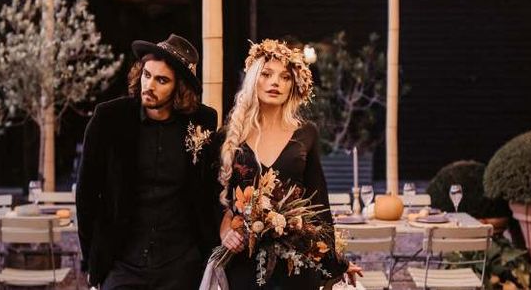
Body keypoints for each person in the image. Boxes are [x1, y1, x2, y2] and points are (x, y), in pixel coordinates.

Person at [77, 34, 219, 290]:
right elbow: (86, 196)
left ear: (180, 87)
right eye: (146, 75)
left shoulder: (203, 121)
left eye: (161, 80)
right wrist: (92, 260)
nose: (149, 85)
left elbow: (209, 192)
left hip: (181, 264)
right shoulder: (109, 118)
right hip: (121, 261)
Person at [216, 39, 362, 289]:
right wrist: (224, 229)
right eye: (267, 74)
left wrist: (336, 263)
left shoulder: (306, 133)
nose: (276, 82)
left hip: (297, 265)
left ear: (293, 85)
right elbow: (213, 201)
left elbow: (319, 204)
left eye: (285, 77)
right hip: (244, 263)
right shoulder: (228, 137)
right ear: (253, 80)